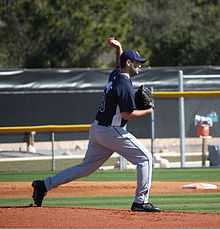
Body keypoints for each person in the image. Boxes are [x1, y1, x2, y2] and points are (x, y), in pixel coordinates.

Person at [32, 38, 160, 212]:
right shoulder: (124, 85)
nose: (140, 66)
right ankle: (140, 202)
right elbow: (126, 115)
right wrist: (148, 111)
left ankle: (44, 185)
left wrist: (119, 48)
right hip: (112, 131)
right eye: (137, 63)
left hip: (98, 129)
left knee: (85, 168)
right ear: (128, 63)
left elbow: (119, 61)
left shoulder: (116, 75)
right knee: (145, 158)